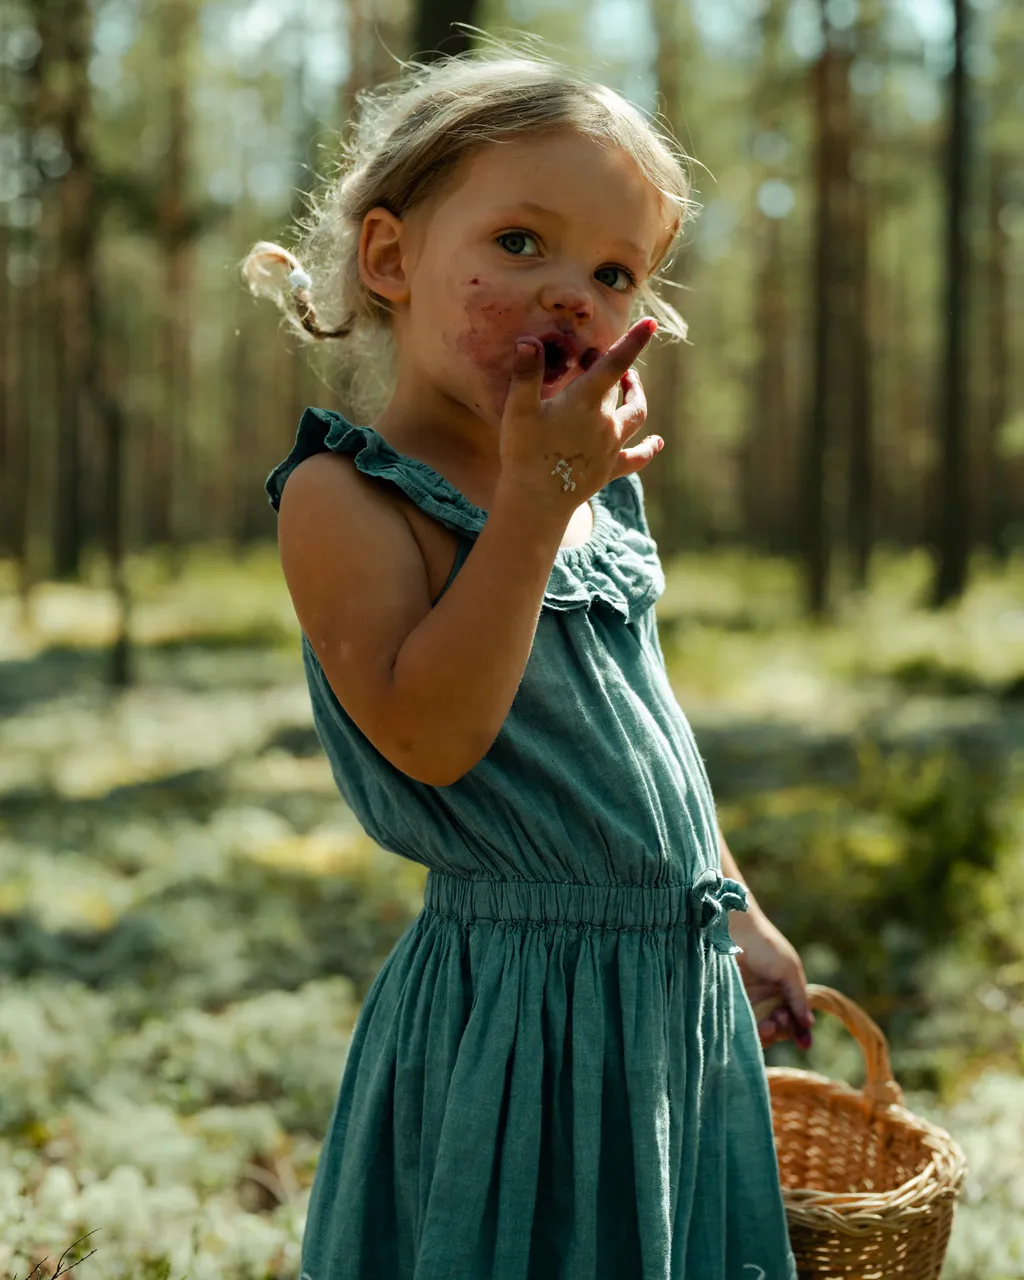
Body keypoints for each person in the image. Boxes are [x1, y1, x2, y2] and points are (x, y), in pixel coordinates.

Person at [243, 41, 813, 1280]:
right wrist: (537, 504)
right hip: (516, 1017)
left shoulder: (592, 497)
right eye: (519, 243)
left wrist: (739, 909)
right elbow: (430, 735)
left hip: (669, 994)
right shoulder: (348, 496)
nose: (572, 292)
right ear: (391, 259)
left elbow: (640, 723)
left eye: (614, 270)